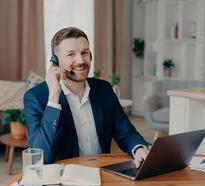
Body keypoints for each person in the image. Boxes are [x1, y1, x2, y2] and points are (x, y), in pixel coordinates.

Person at [24, 27, 149, 167]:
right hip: (65, 179)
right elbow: (40, 157)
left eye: (85, 53)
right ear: (55, 61)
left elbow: (126, 132)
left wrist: (138, 148)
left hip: (101, 173)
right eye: (71, 54)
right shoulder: (36, 97)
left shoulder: (104, 90)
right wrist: (53, 97)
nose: (81, 60)